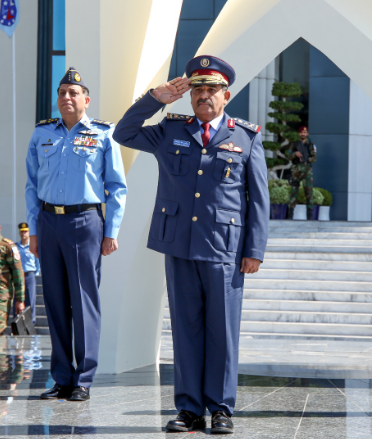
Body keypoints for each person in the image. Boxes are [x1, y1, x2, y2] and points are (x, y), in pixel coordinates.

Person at [113, 55, 269, 434]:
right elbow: (123, 133)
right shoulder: (170, 130)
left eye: (211, 89)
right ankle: (188, 410)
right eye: (197, 89)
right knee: (185, 329)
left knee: (222, 331)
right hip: (180, 245)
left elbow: (258, 198)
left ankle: (220, 409)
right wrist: (155, 98)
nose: (203, 95)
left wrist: (254, 250)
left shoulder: (244, 137)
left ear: (225, 95)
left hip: (224, 248)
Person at [25, 67, 127, 402]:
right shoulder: (42, 134)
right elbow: (31, 185)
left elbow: (117, 187)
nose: (66, 98)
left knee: (84, 301)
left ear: (86, 99)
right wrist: (35, 230)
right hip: (49, 222)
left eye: (73, 92)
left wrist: (111, 231)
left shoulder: (103, 134)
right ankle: (62, 377)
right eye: (61, 93)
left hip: (85, 223)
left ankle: (83, 378)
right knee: (54, 301)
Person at [287, 126, 317, 218]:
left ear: (307, 134)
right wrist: (295, 154)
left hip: (307, 171)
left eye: (305, 132)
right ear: (299, 134)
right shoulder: (294, 144)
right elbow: (288, 155)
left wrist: (307, 158)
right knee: (293, 192)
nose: (303, 134)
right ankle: (290, 215)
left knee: (309, 192)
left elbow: (314, 158)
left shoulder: (311, 145)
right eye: (301, 132)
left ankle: (310, 216)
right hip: (296, 171)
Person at [14, 222, 40, 324]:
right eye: (22, 232)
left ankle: (31, 322)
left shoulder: (33, 246)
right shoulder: (16, 247)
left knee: (30, 299)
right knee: (18, 299)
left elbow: (37, 261)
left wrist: (35, 273)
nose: (23, 234)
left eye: (25, 231)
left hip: (29, 274)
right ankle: (17, 321)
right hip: (18, 276)